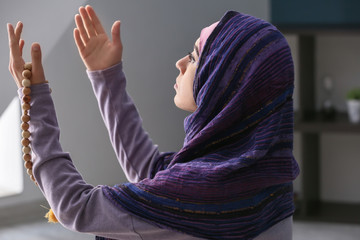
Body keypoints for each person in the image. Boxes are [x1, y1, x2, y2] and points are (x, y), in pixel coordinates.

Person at [7, 5, 299, 240]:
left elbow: (76, 208)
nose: (181, 63)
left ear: (223, 82)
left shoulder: (198, 193)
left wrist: (36, 101)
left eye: (196, 56)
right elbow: (153, 174)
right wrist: (106, 78)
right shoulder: (268, 177)